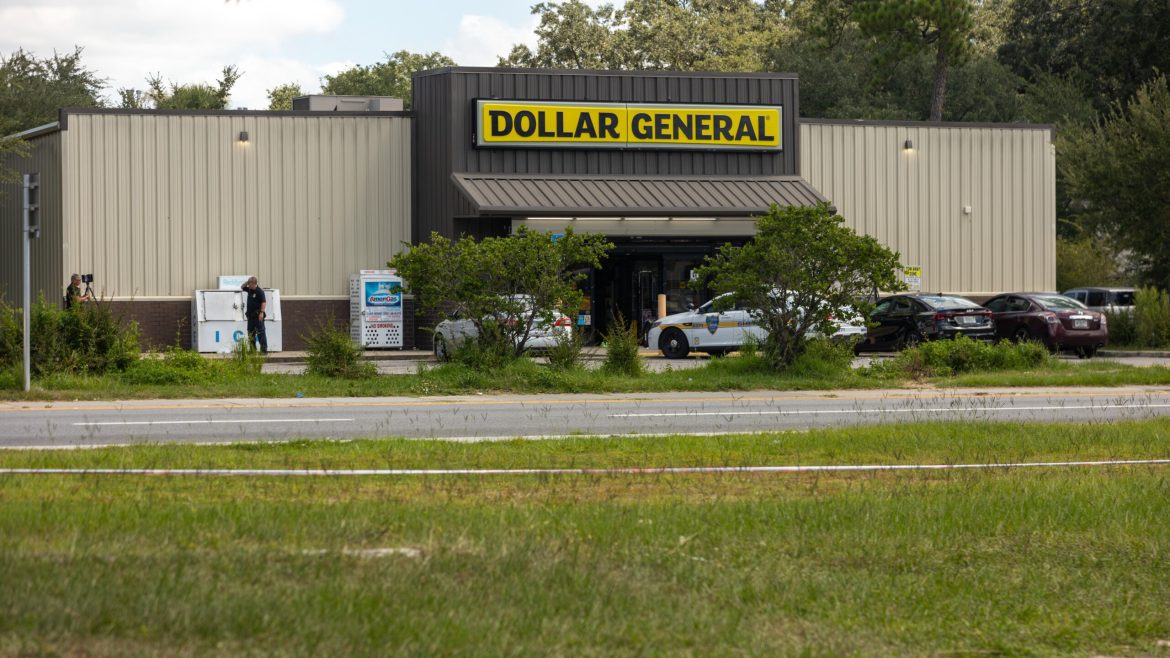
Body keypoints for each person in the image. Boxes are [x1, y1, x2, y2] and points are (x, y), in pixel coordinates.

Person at [242, 276, 268, 354]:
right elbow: (242, 287)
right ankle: (252, 350)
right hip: (250, 317)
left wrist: (261, 312)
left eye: (250, 284)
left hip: (258, 316)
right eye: (248, 284)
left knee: (260, 333)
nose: (248, 286)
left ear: (254, 284)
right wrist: (247, 282)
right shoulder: (250, 290)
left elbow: (263, 302)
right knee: (251, 333)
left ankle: (263, 351)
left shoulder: (259, 291)